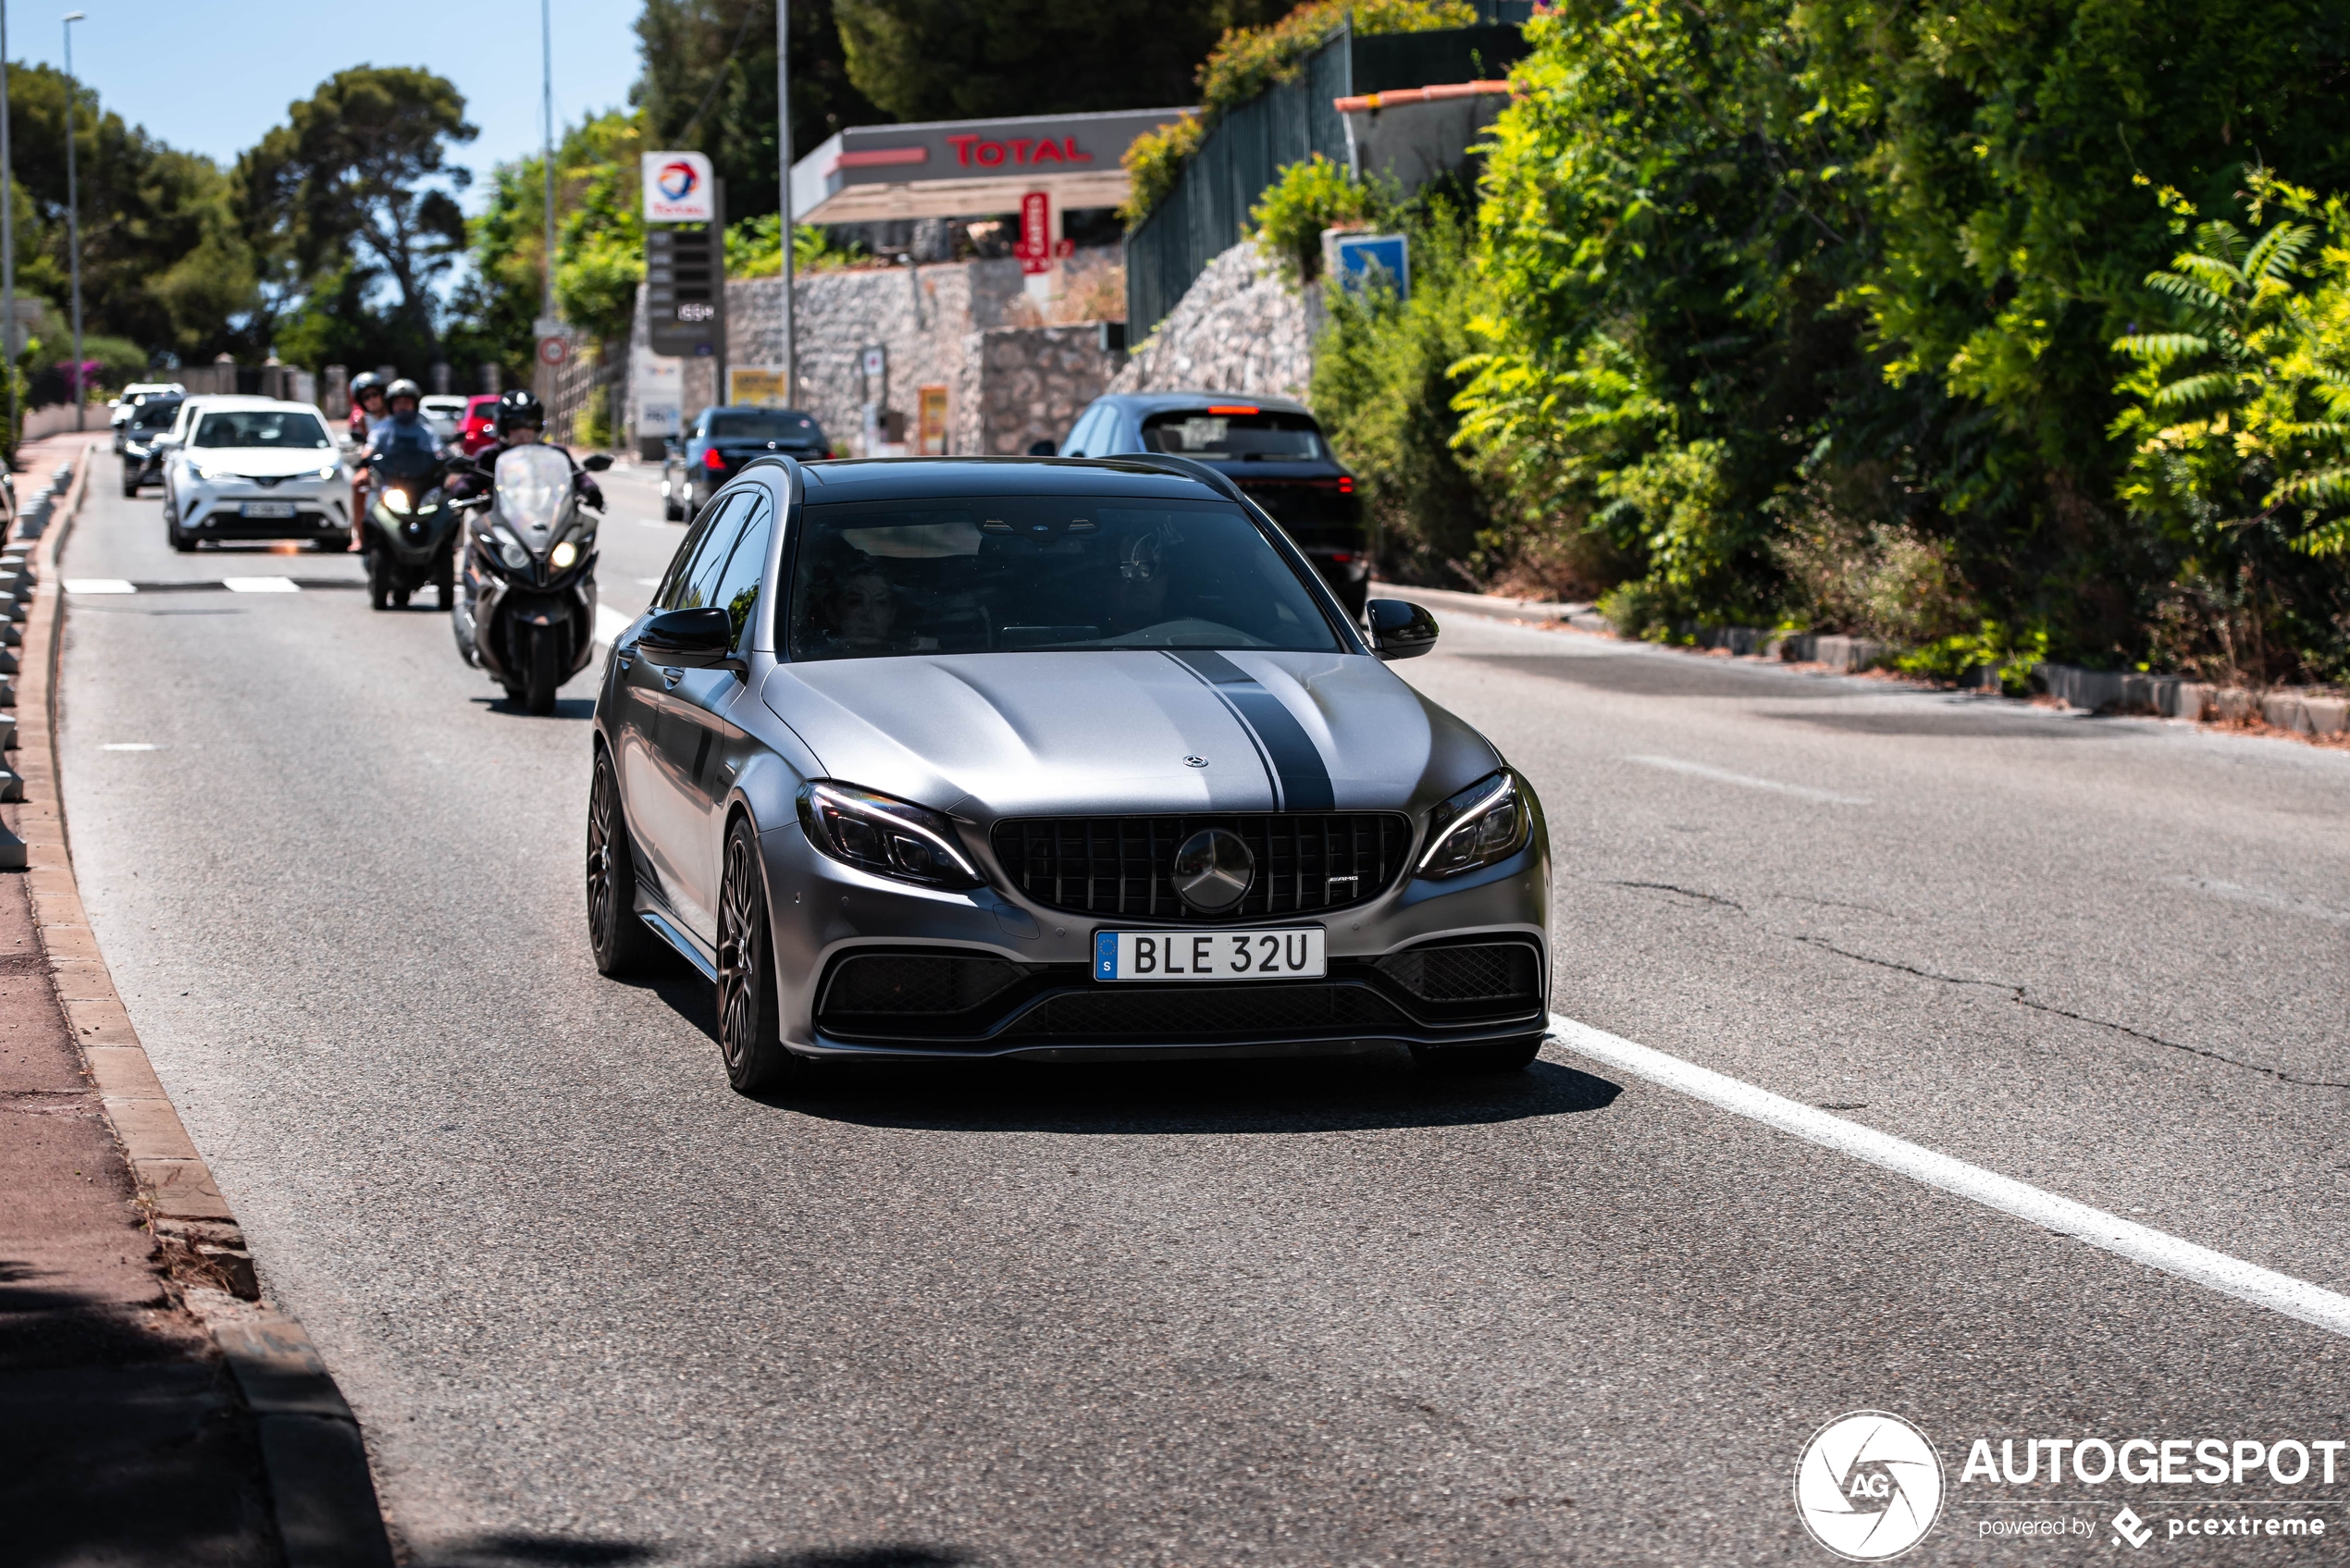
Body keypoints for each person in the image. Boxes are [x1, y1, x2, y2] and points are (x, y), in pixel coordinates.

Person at [445, 389, 605, 512]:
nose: (523, 432)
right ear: (502, 427)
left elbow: (577, 476)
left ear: (538, 427)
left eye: (529, 425)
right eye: (515, 426)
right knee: (477, 547)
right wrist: (462, 489)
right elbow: (471, 478)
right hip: (501, 524)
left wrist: (590, 489)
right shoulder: (489, 455)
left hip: (551, 520)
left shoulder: (556, 454)